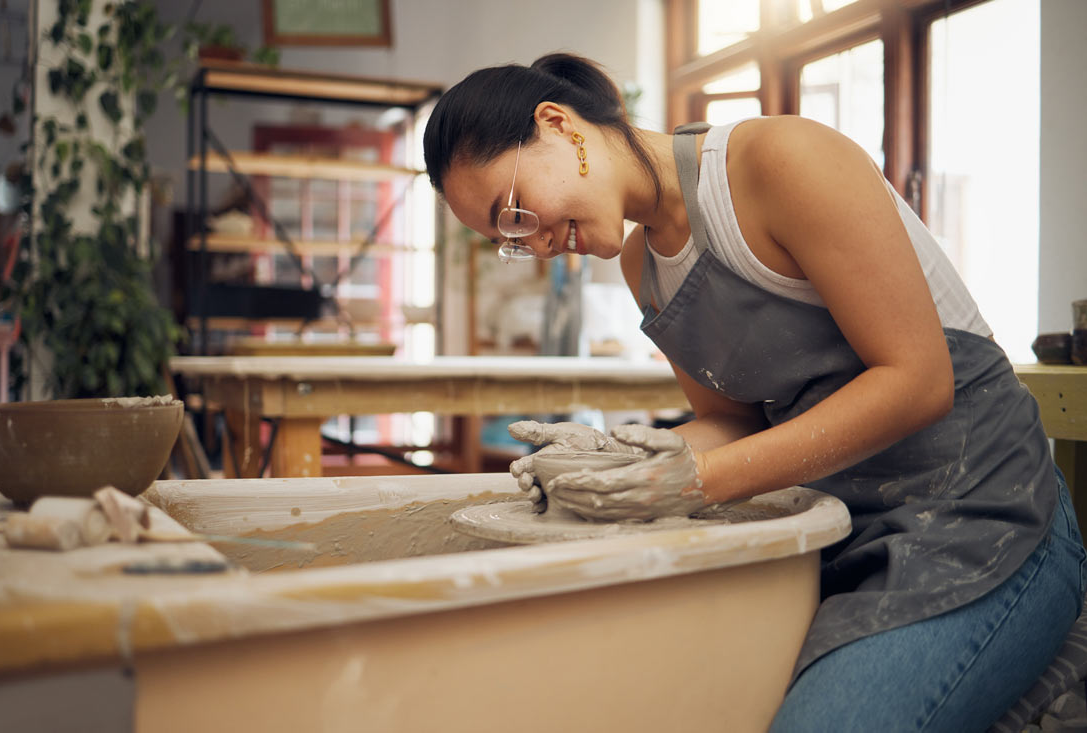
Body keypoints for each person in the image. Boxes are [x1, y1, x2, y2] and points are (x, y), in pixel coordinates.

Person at [422, 52, 1086, 731]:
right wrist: (611, 458)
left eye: (512, 213)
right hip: (843, 535)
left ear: (558, 124)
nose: (529, 245)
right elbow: (730, 423)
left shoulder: (778, 160)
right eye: (506, 239)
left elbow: (919, 382)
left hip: (988, 520)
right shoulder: (642, 267)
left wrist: (695, 481)